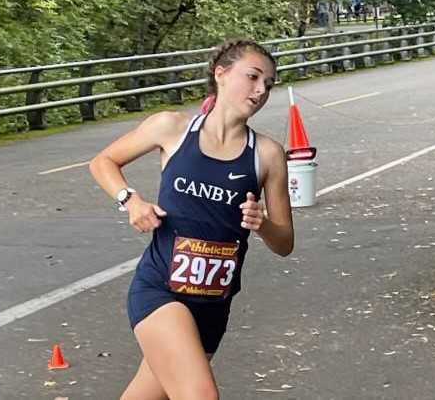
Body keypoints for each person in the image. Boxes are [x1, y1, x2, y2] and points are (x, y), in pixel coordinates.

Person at [89, 39, 294, 400]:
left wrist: (262, 224)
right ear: (221, 73)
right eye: (253, 77)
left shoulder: (267, 154)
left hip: (213, 306)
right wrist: (130, 200)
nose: (261, 90)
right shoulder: (172, 128)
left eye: (269, 84)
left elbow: (285, 244)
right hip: (160, 291)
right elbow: (103, 162)